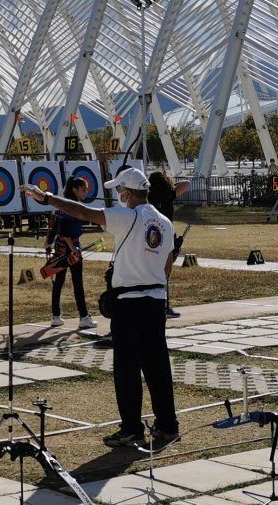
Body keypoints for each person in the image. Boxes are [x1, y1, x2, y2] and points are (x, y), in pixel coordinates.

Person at [22, 168, 178, 450]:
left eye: (120, 192)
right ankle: (168, 425)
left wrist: (47, 198)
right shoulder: (165, 222)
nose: (118, 196)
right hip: (156, 302)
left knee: (127, 369)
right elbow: (166, 266)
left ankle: (131, 429)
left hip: (129, 304)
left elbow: (82, 212)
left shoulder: (127, 216)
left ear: (129, 193)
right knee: (158, 366)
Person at [45, 178, 96, 330]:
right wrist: (74, 249)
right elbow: (64, 231)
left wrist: (49, 242)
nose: (86, 192)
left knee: (59, 282)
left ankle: (56, 316)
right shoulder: (72, 207)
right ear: (74, 190)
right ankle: (83, 317)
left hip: (61, 248)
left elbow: (56, 224)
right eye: (83, 190)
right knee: (77, 283)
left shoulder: (64, 203)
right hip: (70, 249)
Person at [147, 170, 191, 318]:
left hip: (152, 238)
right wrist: (171, 185)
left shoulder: (149, 198)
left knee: (152, 272)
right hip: (166, 239)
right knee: (165, 273)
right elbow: (187, 184)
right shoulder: (169, 195)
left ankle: (153, 305)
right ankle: (164, 306)